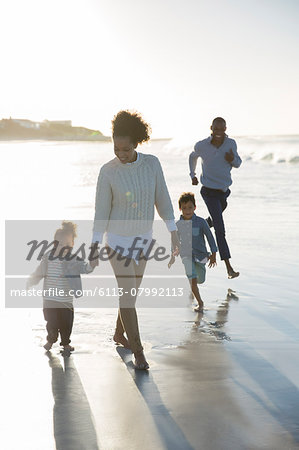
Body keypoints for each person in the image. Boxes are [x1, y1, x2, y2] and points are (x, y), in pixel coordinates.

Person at [92, 110, 180, 370]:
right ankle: (138, 351)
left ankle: (119, 334)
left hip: (143, 240)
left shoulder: (152, 164)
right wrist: (96, 244)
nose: (120, 154)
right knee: (127, 296)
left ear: (137, 143)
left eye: (126, 149)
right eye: (116, 148)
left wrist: (174, 231)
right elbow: (101, 211)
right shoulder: (107, 172)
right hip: (117, 241)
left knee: (130, 296)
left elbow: (162, 199)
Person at [27, 221, 97, 355]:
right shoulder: (48, 257)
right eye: (59, 244)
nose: (63, 247)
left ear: (72, 245)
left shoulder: (74, 259)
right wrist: (31, 281)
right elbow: (39, 272)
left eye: (67, 245)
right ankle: (51, 339)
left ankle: (65, 344)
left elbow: (85, 268)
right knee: (51, 322)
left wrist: (92, 265)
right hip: (49, 298)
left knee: (66, 324)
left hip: (65, 300)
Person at [189, 117, 242, 279]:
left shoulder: (231, 144)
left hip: (224, 192)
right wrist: (193, 175)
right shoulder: (202, 145)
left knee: (214, 219)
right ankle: (229, 268)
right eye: (216, 129)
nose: (219, 132)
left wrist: (231, 159)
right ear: (211, 128)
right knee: (220, 228)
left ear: (226, 129)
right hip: (208, 191)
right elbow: (193, 156)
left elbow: (238, 163)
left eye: (222, 129)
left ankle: (200, 227)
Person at [168, 192, 217, 312]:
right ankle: (200, 303)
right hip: (186, 256)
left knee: (200, 279)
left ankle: (192, 288)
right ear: (180, 209)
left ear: (194, 207)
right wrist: (172, 256)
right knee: (193, 279)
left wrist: (213, 254)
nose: (187, 210)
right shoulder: (178, 225)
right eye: (184, 208)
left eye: (190, 207)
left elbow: (210, 237)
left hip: (201, 255)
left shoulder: (201, 222)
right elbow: (174, 241)